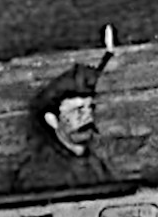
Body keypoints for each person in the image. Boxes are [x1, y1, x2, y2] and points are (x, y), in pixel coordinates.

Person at [11, 63, 114, 192]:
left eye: (90, 108)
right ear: (52, 120)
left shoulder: (96, 164)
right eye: (78, 110)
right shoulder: (41, 174)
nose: (88, 117)